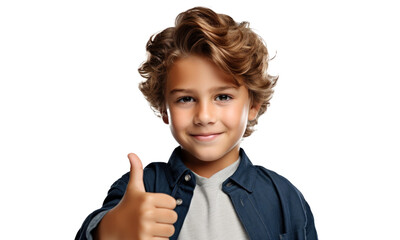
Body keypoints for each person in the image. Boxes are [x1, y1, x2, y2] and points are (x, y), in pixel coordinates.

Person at [75, 7, 318, 240]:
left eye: (223, 97)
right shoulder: (142, 188)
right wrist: (109, 231)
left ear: (253, 105)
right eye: (186, 99)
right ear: (164, 109)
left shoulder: (283, 197)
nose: (204, 116)